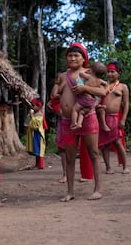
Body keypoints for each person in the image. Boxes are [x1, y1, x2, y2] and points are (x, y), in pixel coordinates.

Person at [57, 42, 106, 202]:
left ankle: (98, 189)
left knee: (94, 153)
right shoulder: (63, 76)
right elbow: (58, 92)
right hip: (67, 121)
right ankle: (70, 192)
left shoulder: (89, 73)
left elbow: (103, 90)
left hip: (87, 117)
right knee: (70, 157)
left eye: (76, 55)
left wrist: (85, 89)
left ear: (83, 58)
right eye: (70, 55)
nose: (73, 58)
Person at [97, 61, 130, 174]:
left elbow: (126, 104)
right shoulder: (103, 85)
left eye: (112, 72)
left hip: (115, 118)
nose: (110, 74)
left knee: (118, 142)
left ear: (119, 73)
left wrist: (123, 119)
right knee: (104, 145)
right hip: (103, 117)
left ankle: (125, 166)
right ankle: (108, 167)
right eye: (108, 72)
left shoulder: (123, 87)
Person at [69, 62, 107, 130]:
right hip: (92, 101)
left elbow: (80, 74)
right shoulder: (100, 81)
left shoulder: (90, 77)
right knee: (82, 112)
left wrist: (86, 71)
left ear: (91, 71)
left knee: (75, 110)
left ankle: (74, 122)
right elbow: (106, 84)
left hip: (85, 98)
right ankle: (79, 124)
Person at [47, 73, 67, 183]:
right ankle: (65, 174)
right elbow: (53, 98)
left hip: (72, 118)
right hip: (62, 119)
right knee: (63, 148)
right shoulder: (57, 87)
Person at [26, 98, 48, 169]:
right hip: (34, 135)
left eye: (33, 105)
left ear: (39, 106)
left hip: (38, 135)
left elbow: (35, 125)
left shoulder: (40, 115)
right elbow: (27, 123)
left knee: (39, 150)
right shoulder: (35, 114)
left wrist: (32, 116)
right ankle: (36, 165)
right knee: (36, 150)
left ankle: (40, 165)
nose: (32, 107)